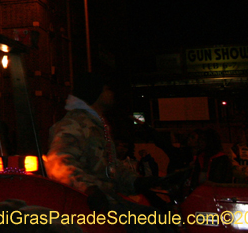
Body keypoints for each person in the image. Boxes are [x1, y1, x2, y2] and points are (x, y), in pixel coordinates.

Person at [45, 73, 170, 233]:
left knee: (159, 218)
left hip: (108, 199)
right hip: (89, 206)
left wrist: (137, 182)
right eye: (106, 89)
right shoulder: (74, 125)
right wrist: (88, 189)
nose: (111, 93)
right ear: (95, 92)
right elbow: (59, 163)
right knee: (148, 226)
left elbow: (110, 167)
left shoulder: (96, 125)